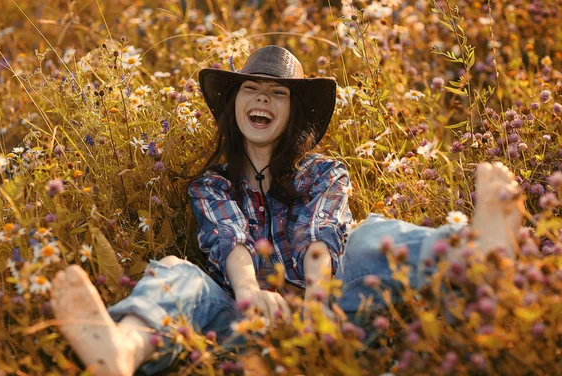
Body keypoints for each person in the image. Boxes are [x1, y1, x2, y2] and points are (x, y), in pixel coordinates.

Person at [50, 46, 524, 376]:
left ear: (293, 112)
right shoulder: (212, 183)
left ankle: (476, 252)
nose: (262, 98)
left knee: (368, 235)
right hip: (248, 318)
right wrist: (251, 295)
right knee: (179, 275)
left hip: (335, 308)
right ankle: (122, 349)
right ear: (234, 105)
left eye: (277, 93)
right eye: (251, 89)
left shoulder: (324, 172)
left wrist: (318, 301)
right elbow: (228, 238)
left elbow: (322, 233)